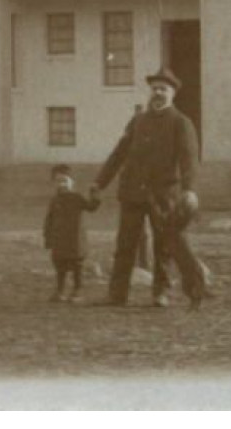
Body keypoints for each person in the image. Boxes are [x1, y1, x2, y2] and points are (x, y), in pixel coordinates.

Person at [92, 68, 208, 309]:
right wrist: (100, 181)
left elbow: (190, 160)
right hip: (132, 192)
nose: (158, 93)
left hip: (164, 194)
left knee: (163, 245)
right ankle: (117, 294)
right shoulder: (138, 121)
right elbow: (119, 154)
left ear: (172, 94)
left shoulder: (181, 123)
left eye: (163, 89)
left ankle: (161, 293)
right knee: (125, 244)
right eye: (154, 88)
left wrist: (190, 189)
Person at [42, 164, 101, 302]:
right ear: (54, 184)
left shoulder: (77, 198)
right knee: (60, 265)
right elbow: (49, 220)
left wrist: (95, 193)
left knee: (77, 266)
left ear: (71, 182)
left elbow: (92, 207)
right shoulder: (55, 200)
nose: (62, 184)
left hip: (76, 240)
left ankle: (77, 290)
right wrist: (48, 237)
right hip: (60, 241)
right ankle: (60, 290)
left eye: (65, 180)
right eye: (58, 181)